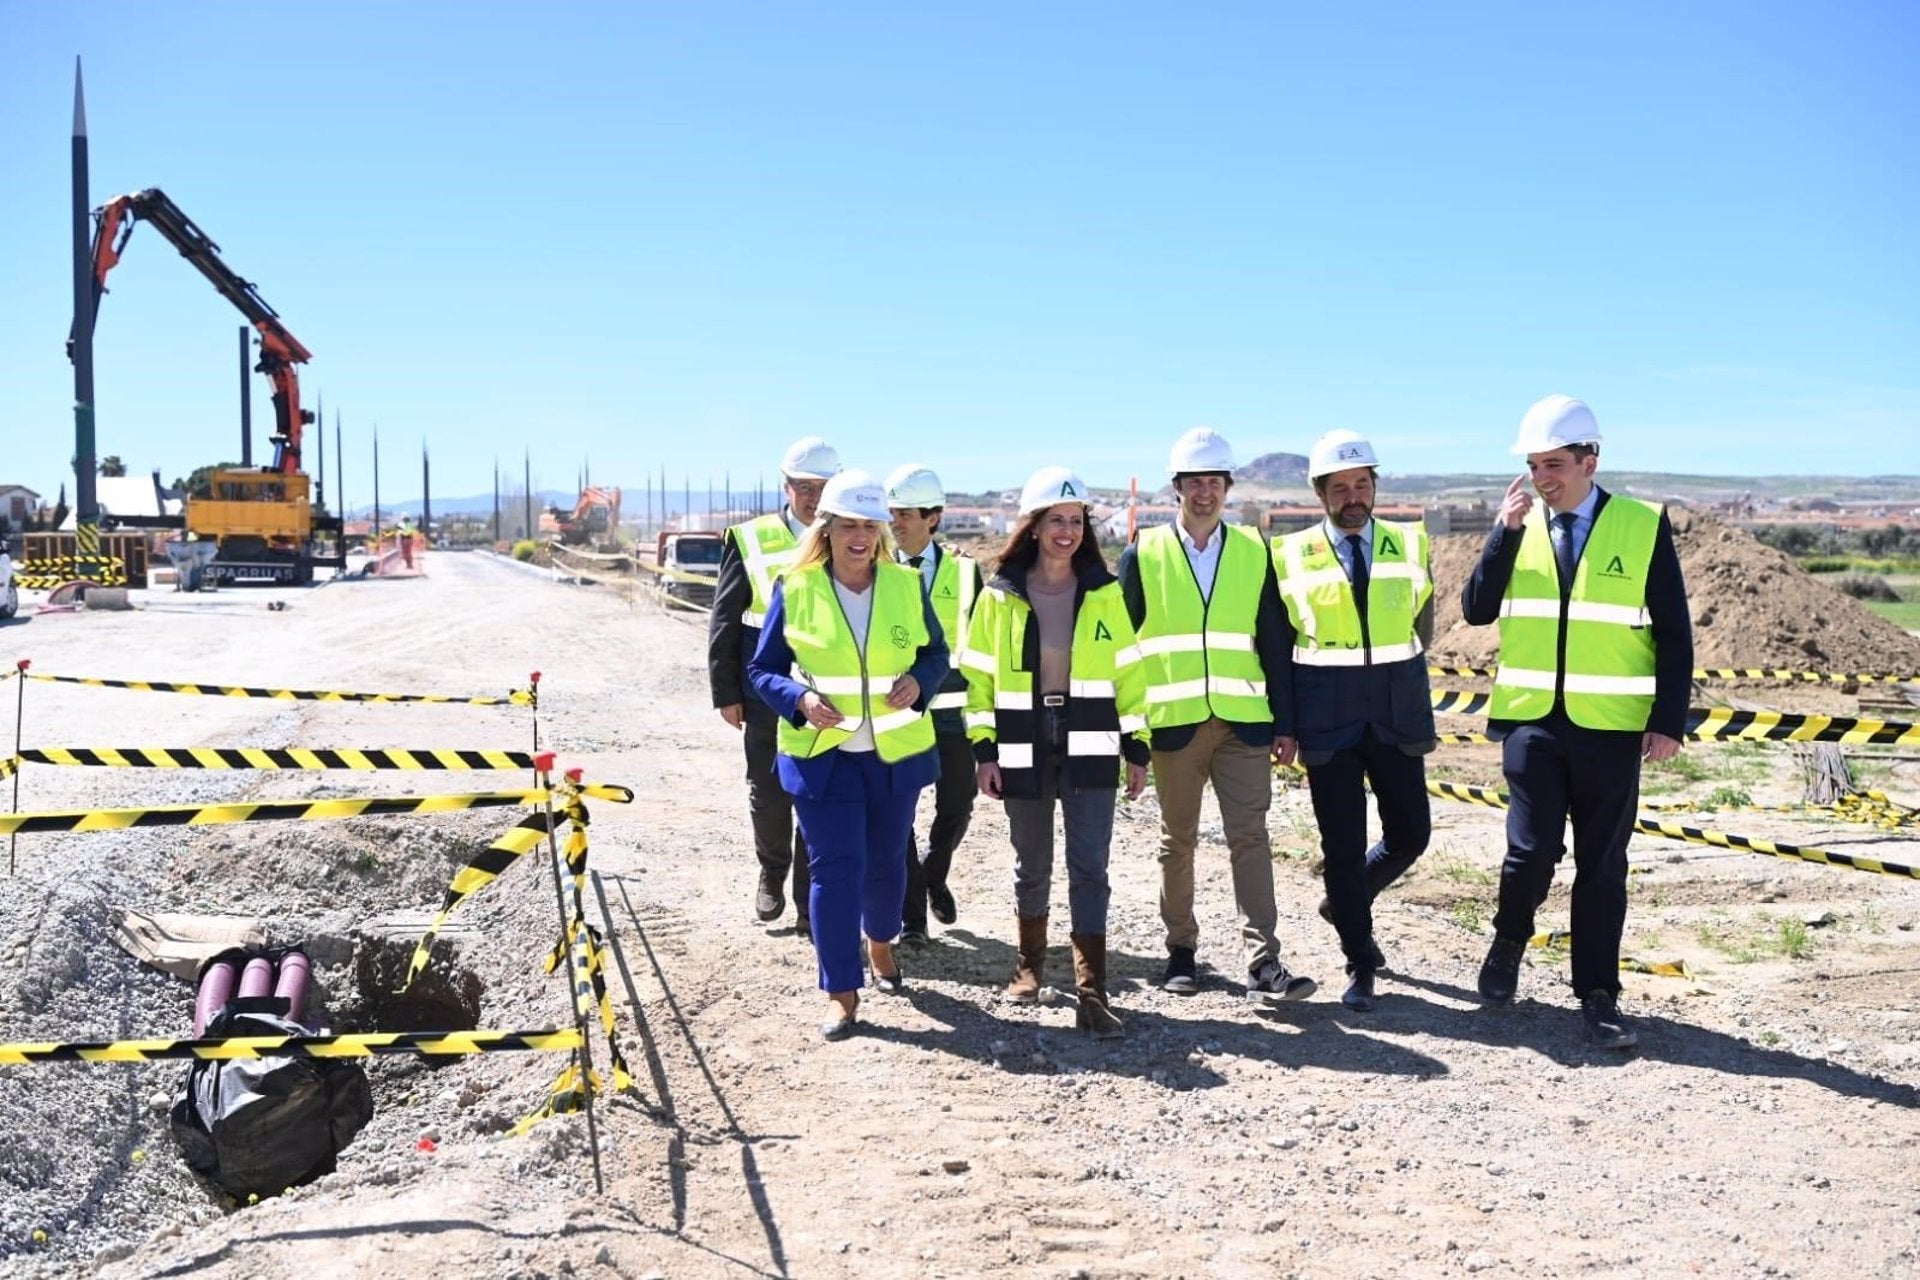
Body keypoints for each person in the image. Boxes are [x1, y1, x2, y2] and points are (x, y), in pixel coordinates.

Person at [1460, 395, 1692, 1050]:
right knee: (1529, 853)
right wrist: (1501, 534)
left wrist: (1668, 719)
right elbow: (1476, 609)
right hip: (1532, 723)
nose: (1542, 479)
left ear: (1592, 460)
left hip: (1611, 728)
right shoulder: (1518, 526)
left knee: (1602, 866)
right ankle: (1509, 941)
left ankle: (1598, 994)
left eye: (1555, 465)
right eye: (1534, 465)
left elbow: (1674, 635)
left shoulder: (1642, 526)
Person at [748, 469, 949, 1040]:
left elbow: (937, 654)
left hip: (893, 755)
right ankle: (841, 991)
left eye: (870, 525)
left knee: (886, 865)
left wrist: (921, 681)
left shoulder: (906, 586)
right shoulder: (797, 585)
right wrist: (801, 698)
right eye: (848, 525)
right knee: (835, 872)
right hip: (823, 753)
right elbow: (762, 669)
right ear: (827, 527)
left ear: (883, 530)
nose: (859, 536)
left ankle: (880, 944)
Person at [1116, 428, 1314, 1005]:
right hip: (1173, 725)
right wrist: (1130, 733)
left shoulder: (1255, 551)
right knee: (1176, 841)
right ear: (1176, 488)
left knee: (1250, 837)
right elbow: (1124, 653)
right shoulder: (1143, 553)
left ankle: (1263, 961)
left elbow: (1276, 642)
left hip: (1243, 723)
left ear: (1227, 486)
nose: (1205, 493)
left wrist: (1285, 723)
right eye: (1193, 483)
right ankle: (1181, 952)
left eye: (1214, 482)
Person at [964, 466, 1149, 1039]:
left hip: (1091, 739)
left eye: (1075, 521)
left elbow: (1130, 672)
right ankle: (1028, 969)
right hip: (1022, 739)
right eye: (1055, 521)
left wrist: (1136, 744)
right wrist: (983, 750)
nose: (1066, 531)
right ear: (1034, 527)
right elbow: (979, 680)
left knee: (1090, 867)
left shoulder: (1105, 591)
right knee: (1032, 863)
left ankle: (1092, 991)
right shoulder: (999, 596)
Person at [1272, 430, 1435, 1012]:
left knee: (1412, 833)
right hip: (1327, 716)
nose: (1353, 497)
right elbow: (1279, 648)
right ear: (1321, 493)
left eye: (1362, 484)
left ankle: (1346, 902)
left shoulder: (1410, 544)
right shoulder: (1287, 554)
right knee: (1341, 846)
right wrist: (1284, 725)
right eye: (1340, 487)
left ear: (1375, 487)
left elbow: (1424, 624)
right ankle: (1360, 960)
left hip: (1395, 710)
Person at [709, 436, 840, 933]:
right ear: (785, 487)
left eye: (822, 487)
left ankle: (810, 900)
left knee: (817, 793)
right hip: (765, 688)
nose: (812, 497)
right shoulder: (751, 539)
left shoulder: (847, 537)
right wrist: (726, 692)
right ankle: (772, 871)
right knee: (768, 791)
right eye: (804, 486)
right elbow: (724, 618)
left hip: (827, 692)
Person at [885, 464, 983, 945]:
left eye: (906, 514)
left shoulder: (967, 572)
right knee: (899, 814)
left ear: (934, 518)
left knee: (959, 805)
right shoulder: (877, 571)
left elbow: (984, 647)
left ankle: (933, 873)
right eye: (893, 513)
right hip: (897, 715)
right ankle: (912, 918)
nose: (896, 523)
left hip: (953, 714)